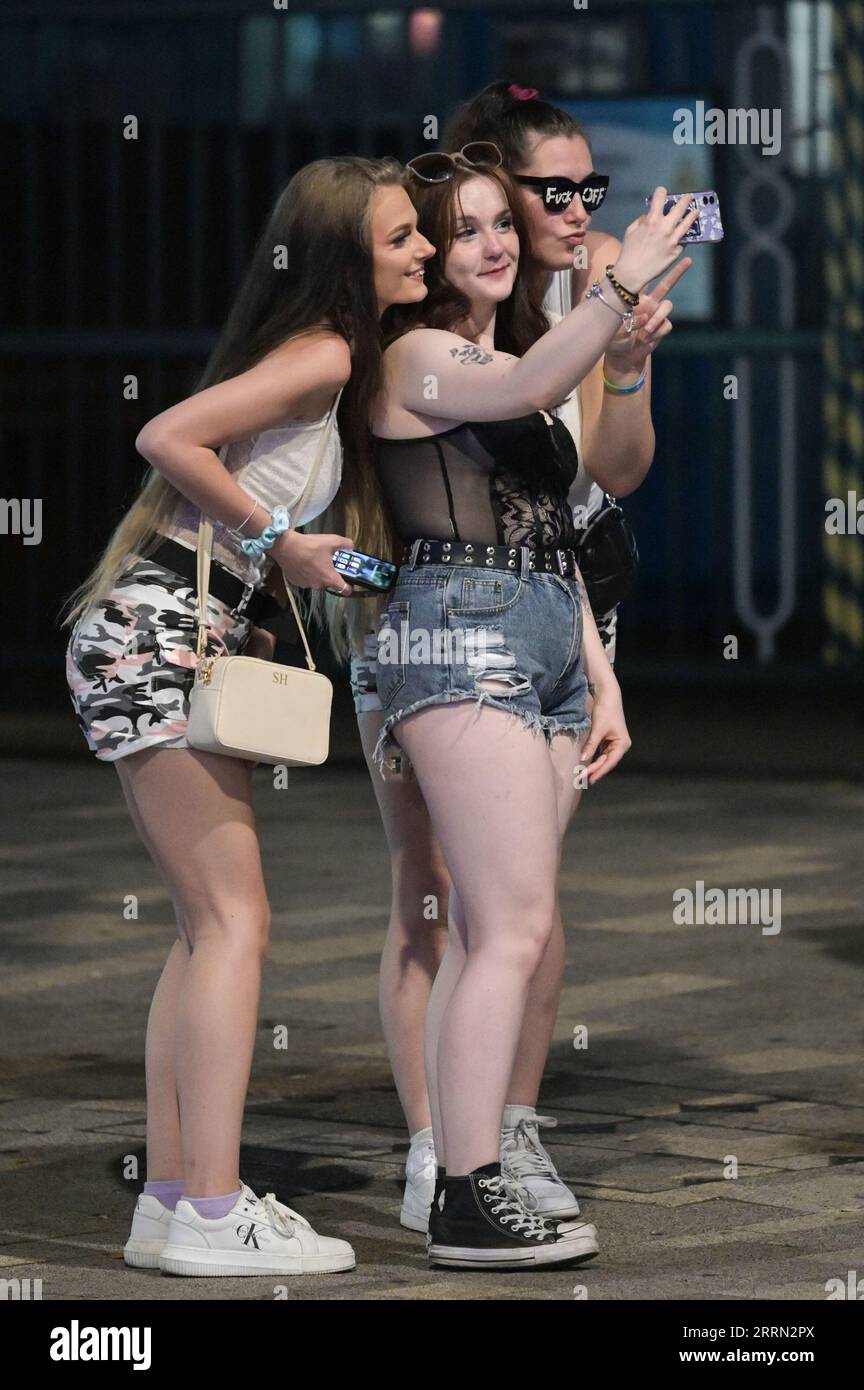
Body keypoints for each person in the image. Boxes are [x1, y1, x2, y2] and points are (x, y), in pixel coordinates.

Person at [313, 146, 696, 1267]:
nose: (489, 242)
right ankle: (465, 1187)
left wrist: (600, 673)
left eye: (498, 223)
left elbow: (555, 518)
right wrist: (622, 289)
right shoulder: (415, 356)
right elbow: (531, 392)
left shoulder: (495, 348)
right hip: (459, 633)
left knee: (499, 929)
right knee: (506, 927)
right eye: (463, 226)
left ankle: (466, 1171)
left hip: (542, 635)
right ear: (430, 253)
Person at [60, 156, 435, 1277]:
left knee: (202, 927)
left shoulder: (319, 357)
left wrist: (253, 603)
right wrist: (282, 547)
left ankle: (173, 1199)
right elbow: (165, 435)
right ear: (344, 257)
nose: (420, 252)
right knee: (236, 923)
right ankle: (217, 1210)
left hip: (161, 628)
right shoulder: (323, 352)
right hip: (156, 630)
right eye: (402, 237)